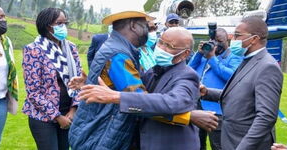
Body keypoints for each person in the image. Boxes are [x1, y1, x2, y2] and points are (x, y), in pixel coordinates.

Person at [74, 27, 218, 150]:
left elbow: (172, 103)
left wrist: (117, 97)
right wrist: (89, 82)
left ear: (185, 54)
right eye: (160, 42)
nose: (161, 48)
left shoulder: (187, 76)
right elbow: (135, 92)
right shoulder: (154, 70)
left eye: (169, 46)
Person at [200, 16, 283, 150]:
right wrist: (207, 92)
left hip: (245, 144)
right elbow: (241, 95)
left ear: (254, 39)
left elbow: (266, 117)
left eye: (237, 35)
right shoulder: (247, 60)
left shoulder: (267, 66)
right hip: (232, 139)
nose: (233, 40)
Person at [22, 8, 82, 150]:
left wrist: (73, 110)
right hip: (43, 117)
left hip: (68, 113)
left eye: (65, 23)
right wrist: (57, 117)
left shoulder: (71, 48)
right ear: (46, 25)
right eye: (59, 23)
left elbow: (79, 82)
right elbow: (33, 92)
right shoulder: (34, 50)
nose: (64, 27)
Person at [188, 28, 243, 150]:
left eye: (219, 41)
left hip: (218, 111)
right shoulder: (204, 56)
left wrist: (213, 58)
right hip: (198, 107)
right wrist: (199, 54)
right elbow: (188, 70)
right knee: (196, 144)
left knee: (219, 146)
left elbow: (231, 76)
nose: (216, 44)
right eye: (213, 41)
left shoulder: (234, 58)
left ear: (227, 41)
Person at [0, 5, 18, 150]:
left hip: (0, 102)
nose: (4, 20)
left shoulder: (5, 43)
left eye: (4, 17)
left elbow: (11, 71)